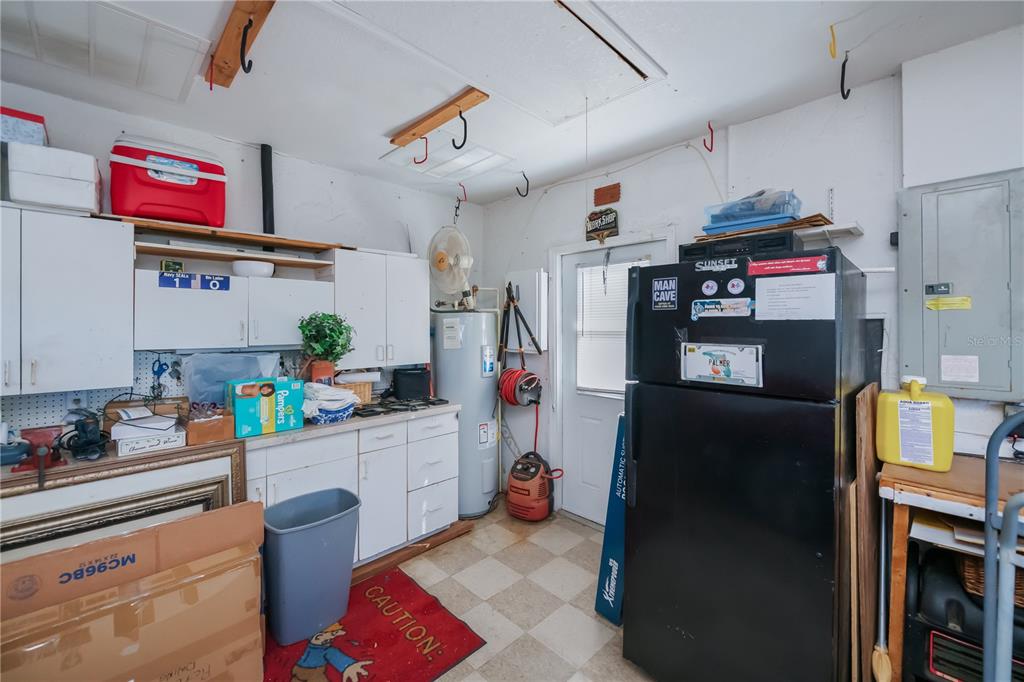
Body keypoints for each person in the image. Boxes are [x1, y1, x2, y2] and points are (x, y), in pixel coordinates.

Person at [290, 623, 372, 682]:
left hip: (298, 670)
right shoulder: (324, 650)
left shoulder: (316, 647)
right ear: (318, 637)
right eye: (333, 634)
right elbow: (332, 654)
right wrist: (348, 666)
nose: (334, 636)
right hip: (313, 672)